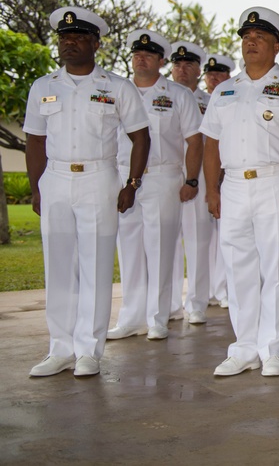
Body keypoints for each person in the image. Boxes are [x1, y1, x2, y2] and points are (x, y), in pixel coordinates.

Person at [24, 7, 150, 377]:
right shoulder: (43, 86)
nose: (70, 43)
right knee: (59, 267)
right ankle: (59, 348)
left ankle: (88, 351)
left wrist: (132, 183)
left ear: (95, 43)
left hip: (99, 179)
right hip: (57, 179)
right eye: (64, 38)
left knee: (95, 266)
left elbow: (140, 136)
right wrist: (37, 188)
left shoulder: (116, 86)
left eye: (78, 37)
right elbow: (34, 141)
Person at [200, 6, 279, 377]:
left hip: (276, 182)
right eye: (246, 37)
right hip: (234, 184)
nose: (250, 42)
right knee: (238, 268)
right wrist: (212, 189)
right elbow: (210, 144)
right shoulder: (224, 90)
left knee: (277, 270)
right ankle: (244, 348)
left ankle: (273, 349)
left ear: (276, 46)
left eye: (259, 37)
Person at [107, 30, 202, 342]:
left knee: (160, 247)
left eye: (148, 54)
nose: (140, 58)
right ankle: (132, 317)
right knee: (130, 249)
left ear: (162, 61)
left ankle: (158, 316)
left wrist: (191, 179)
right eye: (136, 53)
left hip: (163, 176)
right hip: (123, 177)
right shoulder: (116, 91)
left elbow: (194, 141)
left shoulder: (179, 95)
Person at [168, 40, 213, 326]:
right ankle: (169, 303)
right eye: (177, 65)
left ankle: (196, 302)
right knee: (167, 242)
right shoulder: (162, 96)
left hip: (202, 176)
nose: (182, 70)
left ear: (199, 70)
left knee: (198, 240)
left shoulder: (211, 101)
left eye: (189, 65)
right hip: (167, 175)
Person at [202, 53, 235, 308]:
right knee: (206, 240)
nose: (213, 78)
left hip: (228, 176)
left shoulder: (230, 97)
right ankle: (209, 289)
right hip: (202, 176)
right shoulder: (199, 101)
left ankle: (223, 289)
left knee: (228, 238)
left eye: (219, 73)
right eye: (209, 74)